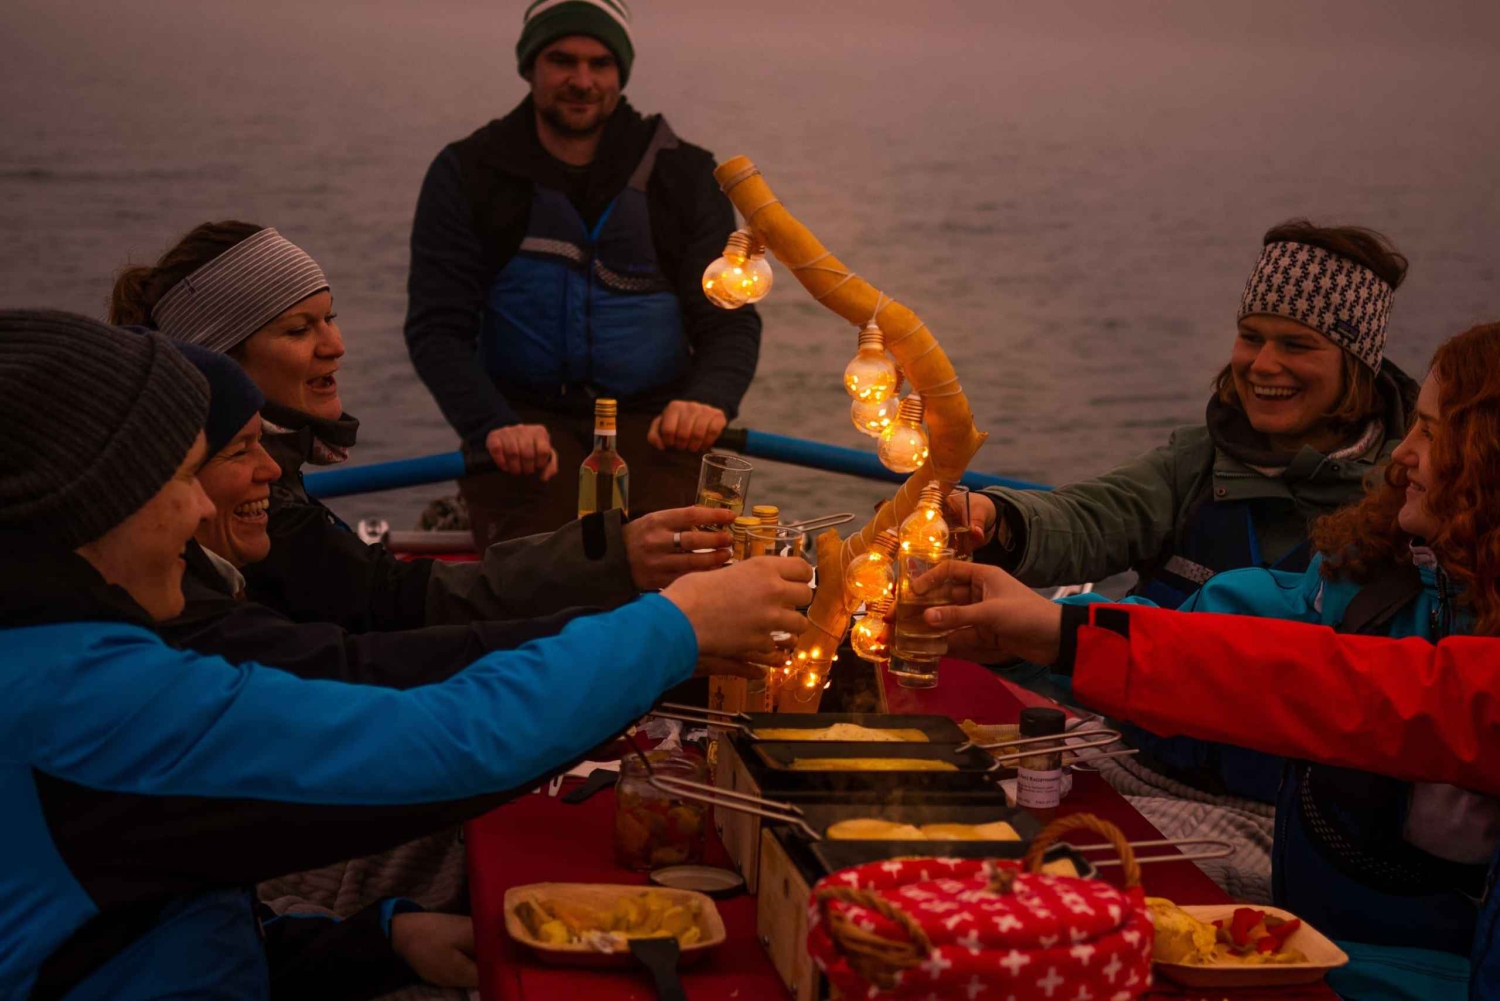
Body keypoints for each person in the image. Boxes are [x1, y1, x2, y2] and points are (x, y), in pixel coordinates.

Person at [0, 310, 811, 1000]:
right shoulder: (79, 697)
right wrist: (673, 628)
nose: (194, 507)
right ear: (92, 503)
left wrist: (376, 941)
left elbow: (134, 928)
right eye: (180, 478)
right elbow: (441, 744)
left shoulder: (54, 648)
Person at [915, 322, 1500, 1001]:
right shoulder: (1369, 564)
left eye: (1430, 432)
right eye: (1253, 335)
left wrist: (1059, 636)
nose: (1404, 455)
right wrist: (1043, 634)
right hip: (1316, 940)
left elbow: (1321, 686)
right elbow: (1233, 641)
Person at [110, 221, 734, 637]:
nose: (336, 346)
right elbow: (383, 603)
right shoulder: (245, 500)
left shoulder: (263, 472)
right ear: (221, 360)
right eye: (299, 330)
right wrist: (612, 561)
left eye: (331, 319)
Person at [404, 0, 762, 545]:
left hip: (661, 423)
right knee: (541, 574)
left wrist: (709, 400)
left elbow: (730, 322)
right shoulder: (467, 173)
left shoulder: (684, 174)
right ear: (529, 67)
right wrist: (492, 425)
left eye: (600, 64)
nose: (582, 80)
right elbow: (437, 328)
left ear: (621, 72)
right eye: (561, 60)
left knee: (672, 565)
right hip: (524, 429)